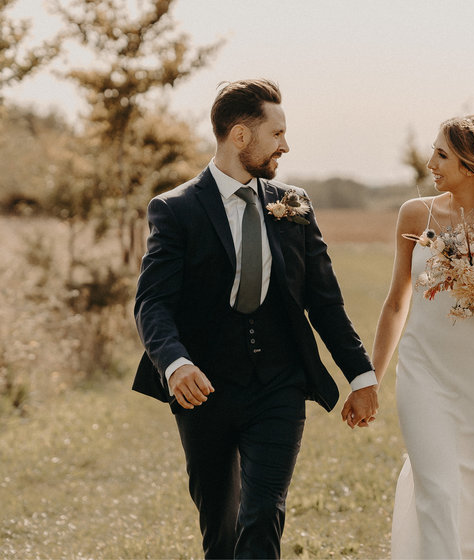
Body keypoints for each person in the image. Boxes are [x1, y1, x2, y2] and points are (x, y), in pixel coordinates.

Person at [132, 78, 379, 559]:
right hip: (205, 388)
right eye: (277, 133)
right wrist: (176, 363)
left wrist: (361, 373)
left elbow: (325, 302)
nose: (286, 145)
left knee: (263, 514)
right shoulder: (175, 210)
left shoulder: (294, 205)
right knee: (220, 528)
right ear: (240, 136)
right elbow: (153, 303)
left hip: (279, 385)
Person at [345, 114, 474, 558]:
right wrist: (369, 379)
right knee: (436, 493)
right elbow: (397, 301)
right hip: (423, 376)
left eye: (441, 154)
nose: (430, 162)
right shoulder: (416, 214)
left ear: (471, 164)